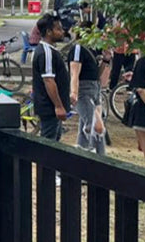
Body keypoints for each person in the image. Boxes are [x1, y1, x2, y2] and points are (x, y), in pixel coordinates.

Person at [30, 13, 71, 142]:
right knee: (48, 143)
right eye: (58, 29)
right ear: (48, 32)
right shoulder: (46, 53)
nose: (62, 32)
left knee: (54, 141)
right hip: (49, 108)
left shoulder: (50, 51)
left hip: (52, 108)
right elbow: (48, 80)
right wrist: (58, 106)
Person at [68, 21, 105, 155]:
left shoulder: (93, 49)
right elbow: (74, 72)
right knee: (95, 126)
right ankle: (100, 160)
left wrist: (105, 60)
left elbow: (97, 74)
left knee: (86, 128)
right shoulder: (78, 48)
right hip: (83, 90)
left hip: (95, 88)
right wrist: (74, 92)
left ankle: (80, 158)